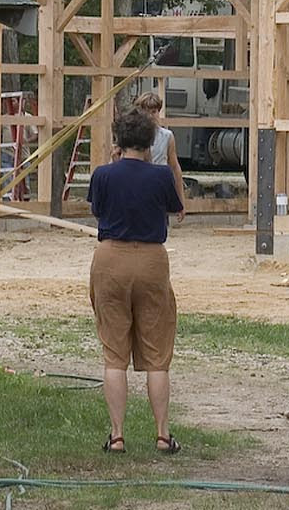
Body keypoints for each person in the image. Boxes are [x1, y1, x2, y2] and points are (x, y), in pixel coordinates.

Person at [87, 106, 185, 454]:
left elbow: (98, 210)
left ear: (118, 141)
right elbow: (177, 207)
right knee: (157, 357)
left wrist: (113, 161)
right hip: (151, 259)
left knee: (114, 355)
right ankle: (161, 434)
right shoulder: (160, 176)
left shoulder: (102, 175)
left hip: (110, 256)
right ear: (150, 141)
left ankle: (116, 435)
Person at [133, 91, 188, 221]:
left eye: (154, 112)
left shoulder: (167, 136)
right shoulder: (133, 135)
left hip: (159, 187)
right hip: (139, 186)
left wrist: (181, 202)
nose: (150, 116)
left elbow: (175, 169)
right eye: (146, 112)